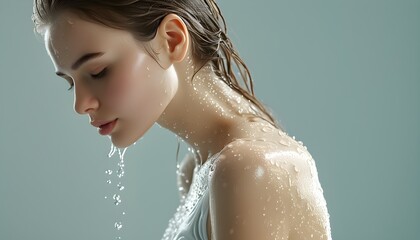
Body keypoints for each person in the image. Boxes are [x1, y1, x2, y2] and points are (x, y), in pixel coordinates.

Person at [32, 0, 332, 239]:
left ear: (171, 40)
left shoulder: (249, 167)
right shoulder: (198, 168)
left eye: (98, 72)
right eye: (71, 82)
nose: (81, 104)